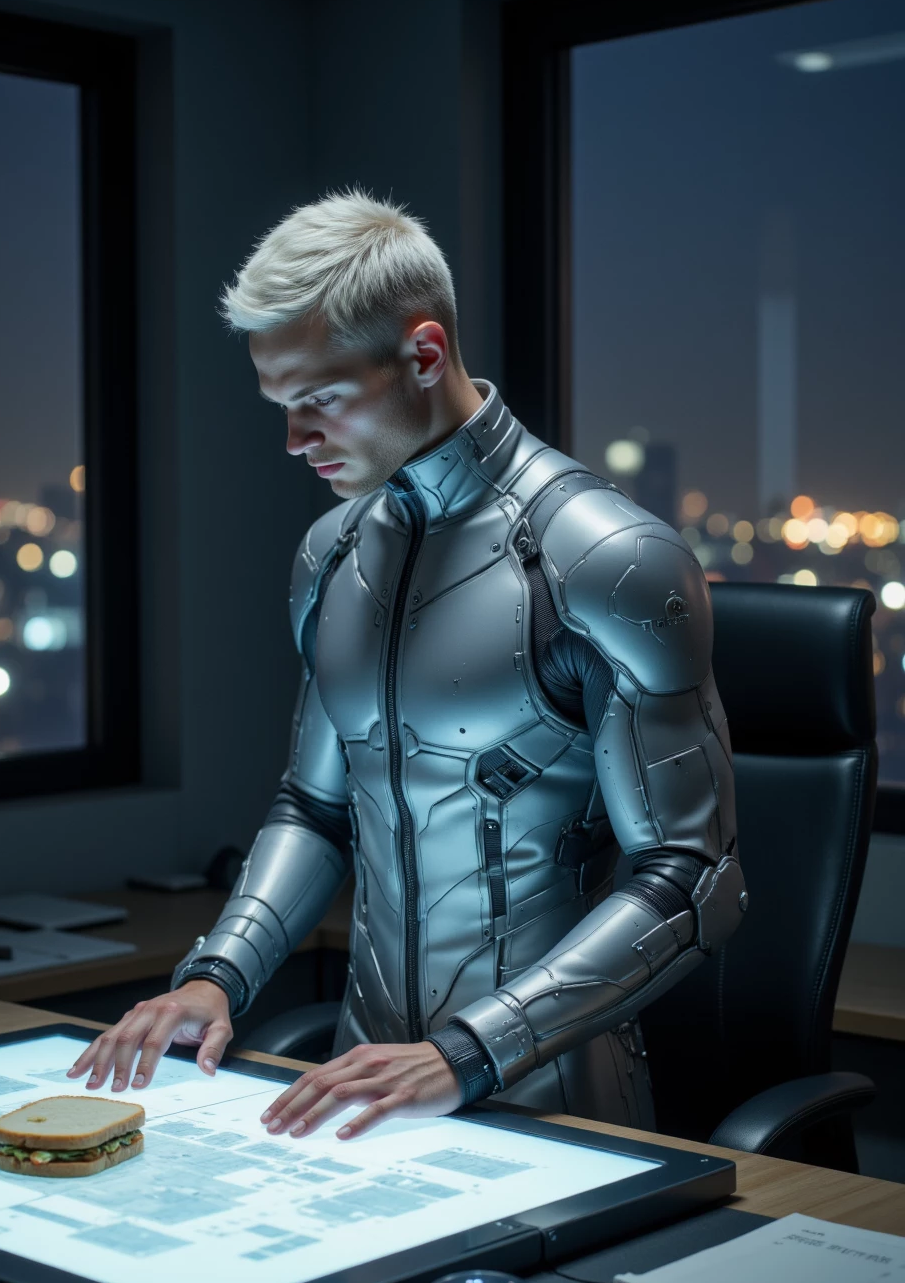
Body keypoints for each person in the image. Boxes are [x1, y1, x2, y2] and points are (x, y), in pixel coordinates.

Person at [69, 189, 744, 1142]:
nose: (295, 441)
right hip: (359, 1096)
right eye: (282, 407)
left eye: (321, 402)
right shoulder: (331, 556)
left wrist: (468, 1051)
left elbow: (694, 876)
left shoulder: (604, 560)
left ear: (423, 356)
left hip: (555, 1103)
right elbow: (316, 806)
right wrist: (215, 976)